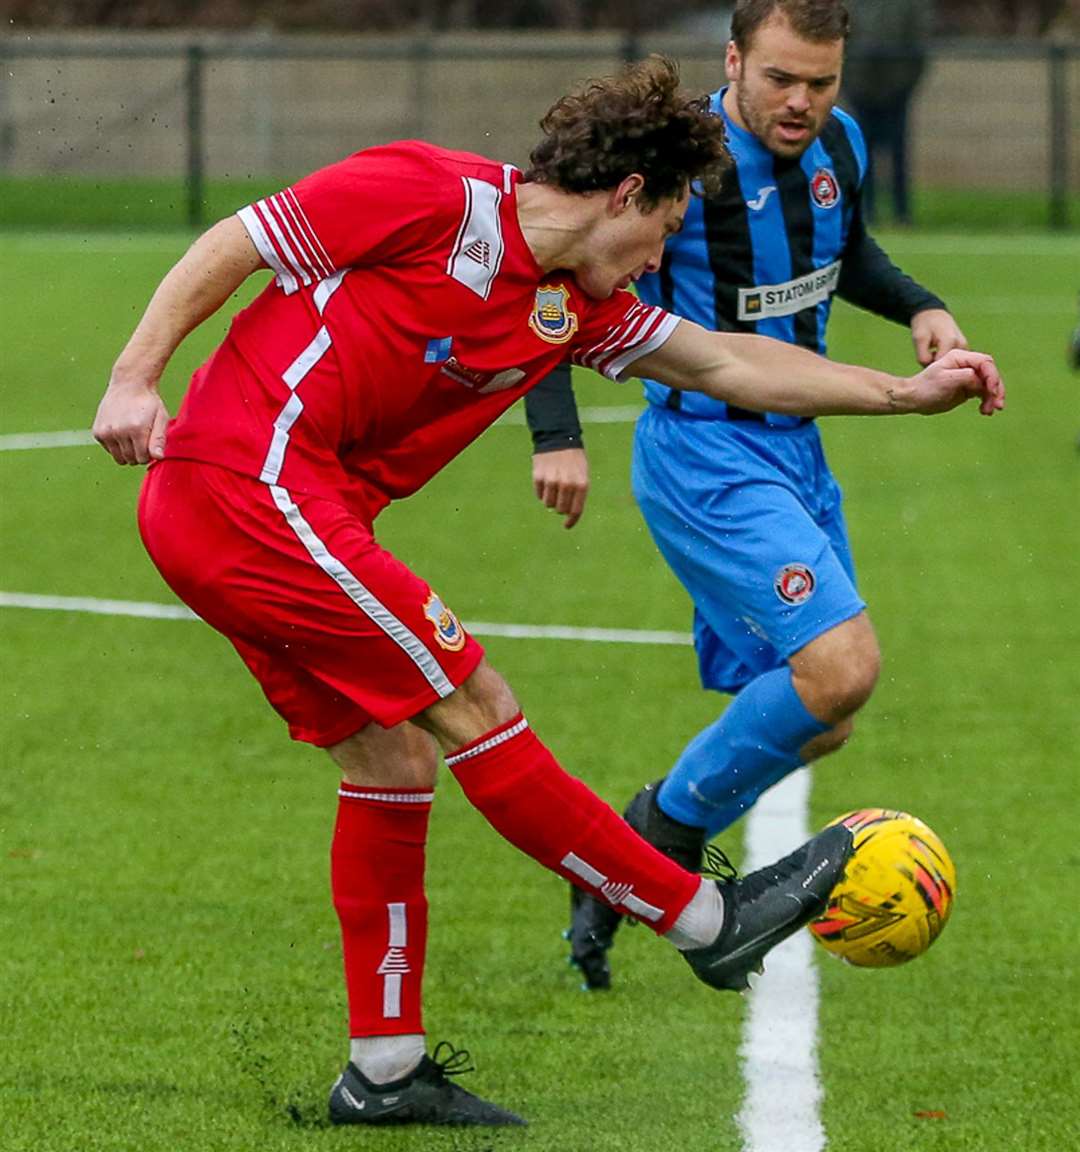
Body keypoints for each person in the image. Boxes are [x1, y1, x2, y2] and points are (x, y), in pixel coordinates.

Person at [93, 56, 1001, 1128]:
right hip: (246, 488)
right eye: (663, 229)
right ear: (625, 195)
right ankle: (710, 921)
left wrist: (902, 392)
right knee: (477, 706)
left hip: (261, 515)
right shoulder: (433, 193)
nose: (664, 254)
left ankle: (382, 1072)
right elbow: (237, 241)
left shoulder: (575, 308)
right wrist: (135, 373)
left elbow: (724, 366)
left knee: (392, 755)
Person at [528, 1, 977, 992]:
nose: (802, 102)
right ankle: (660, 841)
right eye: (780, 78)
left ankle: (629, 853)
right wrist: (556, 435)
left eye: (821, 82)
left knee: (825, 713)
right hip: (707, 453)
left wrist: (921, 306)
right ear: (733, 59)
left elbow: (841, 254)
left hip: (799, 448)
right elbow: (552, 281)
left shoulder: (840, 143)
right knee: (841, 666)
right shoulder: (677, 159)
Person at [842, 0, 934, 225]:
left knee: (898, 154)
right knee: (863, 154)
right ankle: (868, 213)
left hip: (896, 92)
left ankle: (902, 214)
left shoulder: (908, 6)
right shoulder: (851, 6)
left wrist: (904, 86)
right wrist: (851, 85)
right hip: (861, 91)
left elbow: (918, 46)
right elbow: (842, 44)